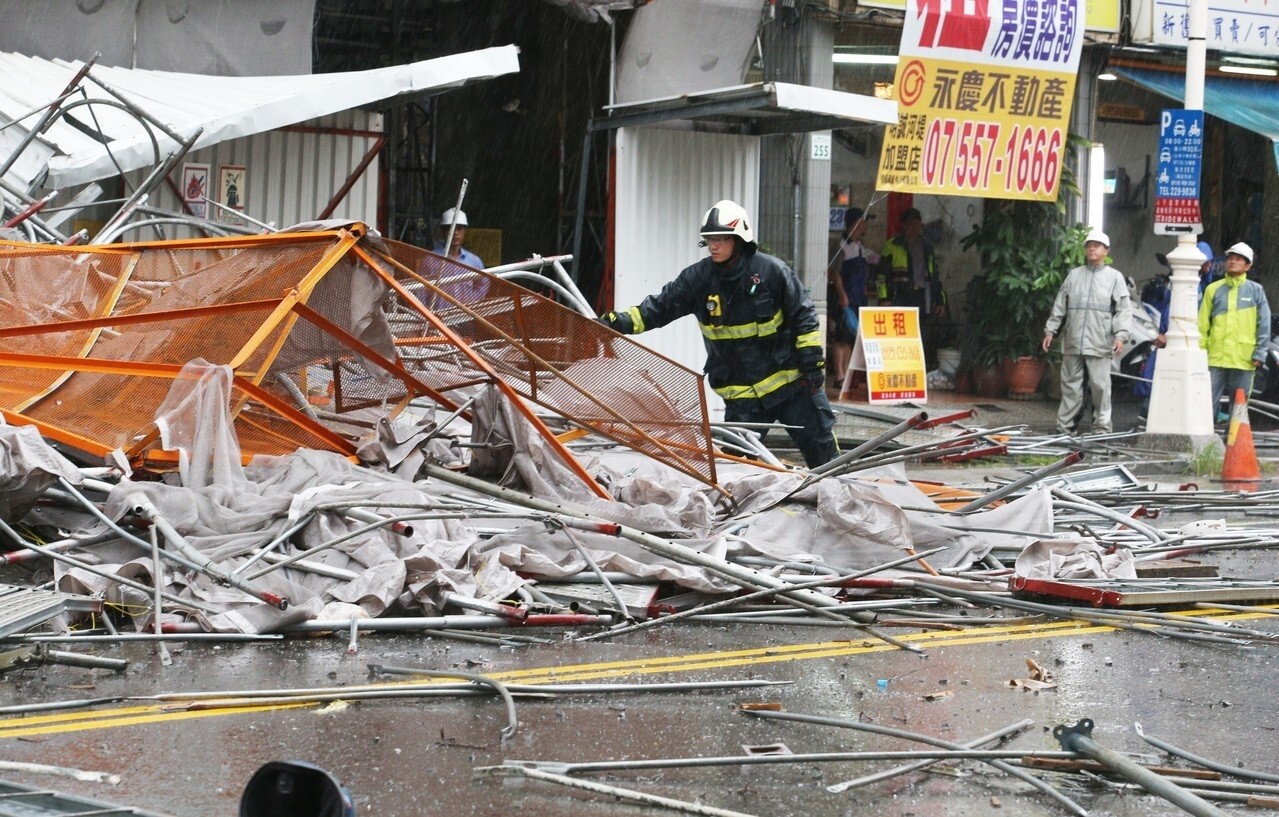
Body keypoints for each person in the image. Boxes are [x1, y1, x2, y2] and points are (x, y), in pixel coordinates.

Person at [597, 199, 838, 468]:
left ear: (740, 240)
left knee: (825, 458)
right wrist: (617, 323)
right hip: (743, 398)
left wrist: (812, 365)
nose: (714, 245)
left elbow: (803, 316)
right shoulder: (698, 280)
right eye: (710, 238)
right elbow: (658, 308)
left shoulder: (772, 273)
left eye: (721, 238)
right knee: (736, 472)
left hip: (791, 388)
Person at [1042, 229, 1132, 435]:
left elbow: (1123, 310)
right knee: (1070, 387)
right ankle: (1065, 427)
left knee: (1100, 387)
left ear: (1106, 250)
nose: (1092, 248)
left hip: (1100, 342)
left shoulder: (1114, 278)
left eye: (1097, 245)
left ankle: (1101, 426)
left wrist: (1120, 336)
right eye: (1089, 245)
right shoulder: (1074, 276)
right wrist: (1050, 331)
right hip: (1073, 341)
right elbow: (1059, 306)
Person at [1198, 242, 1270, 424]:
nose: (1232, 261)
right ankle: (1205, 444)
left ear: (1248, 265)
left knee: (1238, 406)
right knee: (1205, 403)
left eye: (1238, 259)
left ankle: (1233, 445)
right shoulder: (1213, 289)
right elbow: (1202, 323)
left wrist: (1260, 353)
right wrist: (1199, 352)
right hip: (1215, 357)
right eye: (1230, 258)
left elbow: (1264, 324)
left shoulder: (1256, 291)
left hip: (1243, 359)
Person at [826, 207, 879, 386]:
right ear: (856, 223)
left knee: (851, 337)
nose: (866, 225)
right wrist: (842, 295)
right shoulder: (841, 244)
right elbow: (834, 273)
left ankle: (846, 375)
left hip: (857, 298)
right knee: (840, 337)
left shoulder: (858, 245)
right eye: (864, 221)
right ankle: (839, 375)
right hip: (844, 299)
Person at [425, 207, 488, 303]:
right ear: (443, 231)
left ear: (464, 231)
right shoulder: (430, 260)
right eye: (451, 228)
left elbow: (483, 284)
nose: (455, 233)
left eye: (459, 228)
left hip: (466, 316)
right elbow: (421, 291)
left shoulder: (474, 261)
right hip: (437, 316)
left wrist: (472, 301)